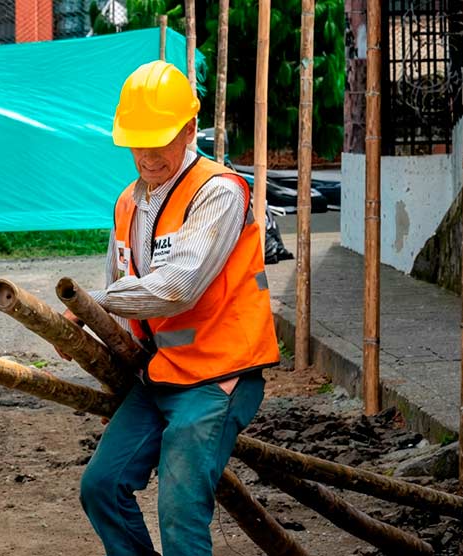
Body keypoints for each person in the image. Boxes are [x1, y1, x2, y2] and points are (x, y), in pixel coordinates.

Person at [62, 61, 280, 556]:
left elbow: (177, 288)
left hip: (217, 378)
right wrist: (83, 334)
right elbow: (121, 297)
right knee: (101, 487)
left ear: (189, 129)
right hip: (160, 376)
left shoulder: (217, 191)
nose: (146, 153)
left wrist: (94, 301)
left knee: (180, 514)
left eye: (158, 138)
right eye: (136, 140)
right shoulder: (126, 203)